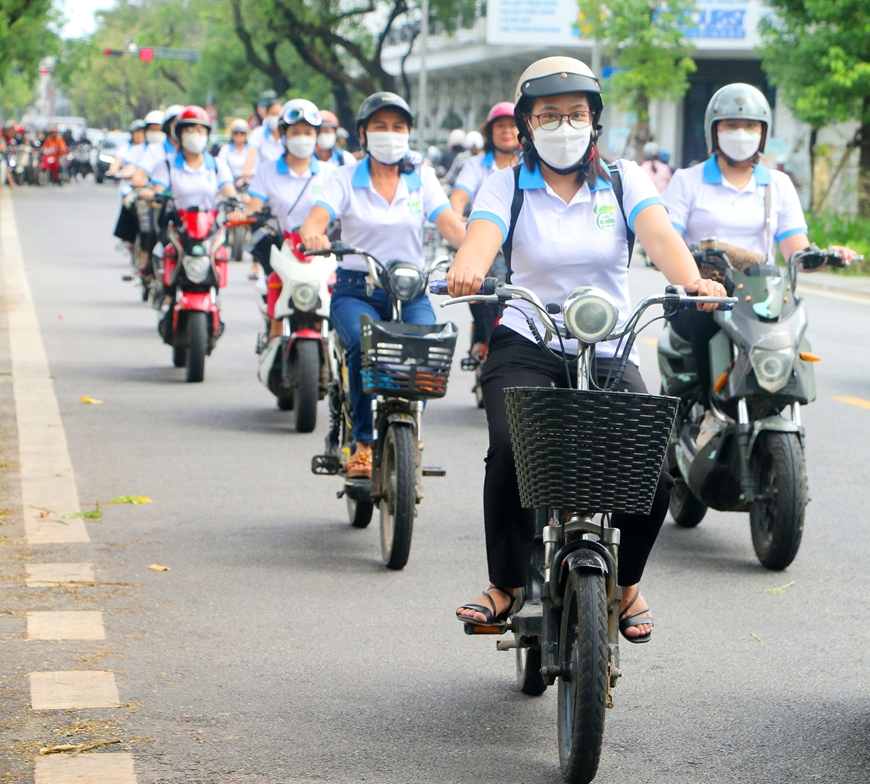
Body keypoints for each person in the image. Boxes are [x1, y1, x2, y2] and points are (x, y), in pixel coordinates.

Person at [447, 57, 726, 640]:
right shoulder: (505, 183)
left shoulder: (624, 180)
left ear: (594, 121)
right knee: (509, 450)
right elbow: (480, 239)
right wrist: (467, 270)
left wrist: (694, 281)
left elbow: (659, 236)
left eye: (576, 114)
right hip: (528, 344)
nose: (563, 125)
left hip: (608, 347)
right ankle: (506, 584)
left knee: (652, 468)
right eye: (548, 115)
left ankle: (625, 588)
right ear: (525, 124)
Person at [664, 83, 858, 449]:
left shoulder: (778, 185)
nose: (742, 134)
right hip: (701, 291)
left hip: (757, 294)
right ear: (713, 131)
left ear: (764, 133)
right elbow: (666, 239)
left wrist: (826, 255)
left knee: (791, 328)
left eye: (751, 126)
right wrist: (694, 272)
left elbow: (796, 249)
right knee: (708, 319)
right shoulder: (687, 181)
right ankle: (711, 412)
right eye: (731, 125)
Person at [299, 92, 466, 479]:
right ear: (363, 133)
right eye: (380, 126)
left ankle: (412, 430)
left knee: (428, 344)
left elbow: (452, 227)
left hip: (410, 288)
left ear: (409, 133)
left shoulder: (420, 176)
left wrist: (482, 252)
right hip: (357, 288)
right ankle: (362, 445)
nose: (390, 135)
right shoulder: (342, 177)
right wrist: (314, 235)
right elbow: (316, 219)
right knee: (362, 345)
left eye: (398, 127)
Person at [226, 99, 334, 336]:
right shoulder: (266, 172)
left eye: (308, 132)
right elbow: (254, 209)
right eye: (295, 132)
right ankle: (274, 341)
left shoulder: (331, 173)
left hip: (321, 252)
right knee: (276, 290)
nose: (302, 137)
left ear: (317, 135)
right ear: (283, 134)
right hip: (280, 249)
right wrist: (241, 215)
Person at [218, 119, 252, 183]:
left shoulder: (251, 150)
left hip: (249, 182)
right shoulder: (226, 149)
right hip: (230, 182)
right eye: (236, 133)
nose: (239, 136)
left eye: (242, 133)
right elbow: (220, 165)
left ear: (246, 135)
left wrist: (245, 179)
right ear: (232, 135)